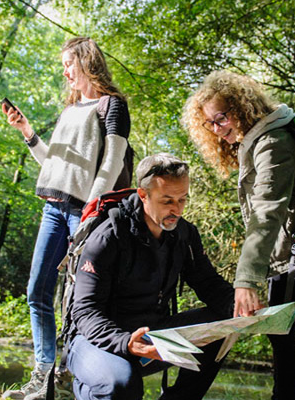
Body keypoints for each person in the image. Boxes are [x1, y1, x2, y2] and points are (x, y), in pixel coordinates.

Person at [182, 70, 295, 400]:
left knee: (281, 328)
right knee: (279, 328)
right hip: (281, 245)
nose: (218, 128)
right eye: (210, 123)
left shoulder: (273, 144)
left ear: (243, 106)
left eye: (222, 117)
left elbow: (266, 213)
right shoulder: (256, 140)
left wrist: (246, 280)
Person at [1, 37, 131, 400]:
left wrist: (92, 211)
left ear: (86, 61)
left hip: (84, 213)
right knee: (36, 291)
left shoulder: (112, 106)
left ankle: (78, 379)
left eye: (68, 64)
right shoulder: (70, 109)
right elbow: (54, 168)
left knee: (78, 302)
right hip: (53, 209)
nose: (65, 71)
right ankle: (42, 377)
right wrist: (27, 132)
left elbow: (112, 163)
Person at [66, 153, 235, 400]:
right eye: (167, 200)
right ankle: (85, 387)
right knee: (121, 385)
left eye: (182, 199)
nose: (176, 209)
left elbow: (207, 282)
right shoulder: (107, 238)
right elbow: (84, 312)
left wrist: (238, 306)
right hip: (95, 339)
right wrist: (125, 342)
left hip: (151, 333)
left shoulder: (185, 234)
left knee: (222, 324)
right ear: (143, 195)